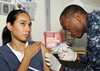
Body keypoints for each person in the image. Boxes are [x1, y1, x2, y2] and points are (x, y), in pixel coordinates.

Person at [45, 4, 100, 71]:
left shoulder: (95, 29)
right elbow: (95, 58)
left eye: (67, 27)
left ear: (77, 17)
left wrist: (60, 68)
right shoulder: (95, 20)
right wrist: (76, 56)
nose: (68, 33)